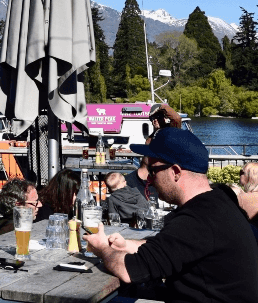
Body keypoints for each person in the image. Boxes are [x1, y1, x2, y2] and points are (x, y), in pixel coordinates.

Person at [85, 127, 258, 301]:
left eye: (152, 171)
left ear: (175, 172)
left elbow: (128, 270)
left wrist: (101, 248)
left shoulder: (197, 218)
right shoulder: (218, 200)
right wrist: (127, 245)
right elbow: (172, 246)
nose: (149, 180)